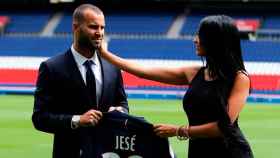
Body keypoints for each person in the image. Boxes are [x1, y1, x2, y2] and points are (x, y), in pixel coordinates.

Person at [98, 15, 253, 158]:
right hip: (198, 150)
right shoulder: (193, 73)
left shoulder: (240, 78)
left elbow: (224, 127)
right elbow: (143, 72)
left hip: (231, 152)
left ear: (216, 41)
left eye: (201, 35)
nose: (195, 40)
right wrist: (105, 54)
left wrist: (177, 130)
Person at [32, 4, 128, 158]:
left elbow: (123, 103)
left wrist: (120, 112)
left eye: (102, 28)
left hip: (108, 152)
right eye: (93, 27)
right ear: (75, 27)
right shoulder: (52, 68)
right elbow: (40, 118)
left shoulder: (113, 66)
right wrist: (77, 120)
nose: (99, 33)